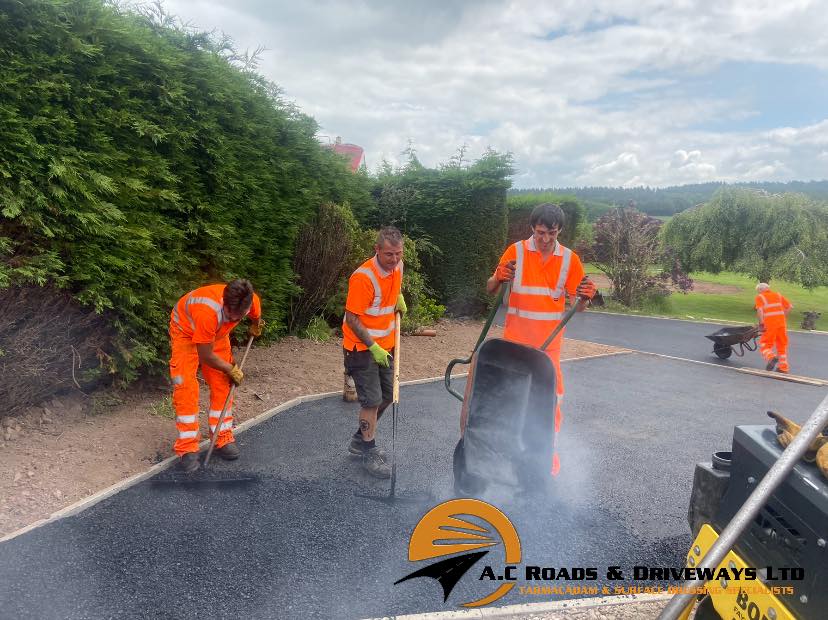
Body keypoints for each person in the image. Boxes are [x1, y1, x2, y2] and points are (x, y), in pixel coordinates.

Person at [487, 203, 597, 476]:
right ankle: (505, 454)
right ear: (532, 228)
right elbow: (491, 289)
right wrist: (498, 277)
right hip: (515, 345)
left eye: (552, 233)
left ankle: (546, 455)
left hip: (549, 348)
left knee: (551, 401)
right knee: (510, 399)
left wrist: (585, 297)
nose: (545, 240)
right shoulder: (516, 252)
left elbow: (578, 306)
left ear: (559, 231)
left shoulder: (570, 259)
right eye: (540, 233)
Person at [169, 279, 264, 473]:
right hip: (186, 332)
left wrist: (256, 325)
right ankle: (187, 448)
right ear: (224, 303)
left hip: (217, 335)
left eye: (239, 317)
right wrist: (230, 368)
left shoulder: (250, 301)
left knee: (222, 383)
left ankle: (222, 436)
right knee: (185, 386)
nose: (233, 319)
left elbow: (257, 315)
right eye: (230, 315)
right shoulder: (207, 312)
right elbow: (206, 356)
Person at [342, 226, 406, 478]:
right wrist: (373, 347)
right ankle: (369, 451)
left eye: (399, 254)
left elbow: (392, 289)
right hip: (362, 348)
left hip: (387, 345)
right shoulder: (363, 278)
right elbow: (352, 319)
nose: (394, 260)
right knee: (372, 400)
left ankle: (360, 438)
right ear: (377, 250)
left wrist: (398, 298)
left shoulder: (398, 267)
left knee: (389, 394)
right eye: (389, 254)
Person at [755, 282, 792, 373]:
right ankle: (783, 368)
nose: (758, 293)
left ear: (760, 290)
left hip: (770, 325)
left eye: (758, 291)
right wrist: (783, 317)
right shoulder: (778, 295)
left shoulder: (760, 297)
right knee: (782, 345)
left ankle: (771, 357)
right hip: (781, 324)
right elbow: (789, 307)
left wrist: (761, 324)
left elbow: (760, 310)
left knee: (765, 344)